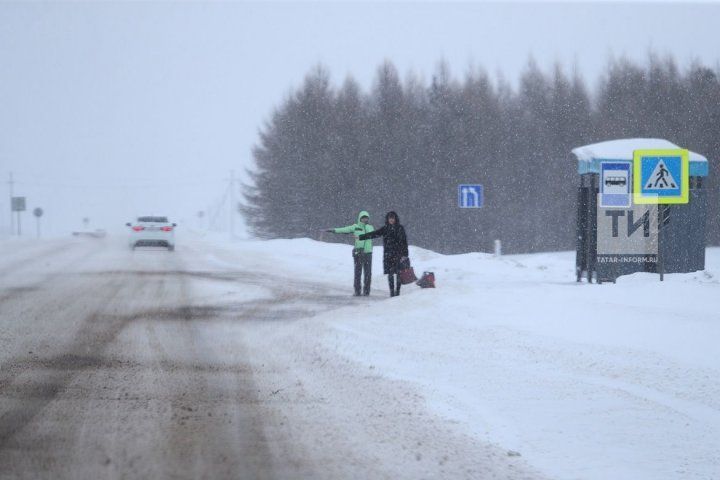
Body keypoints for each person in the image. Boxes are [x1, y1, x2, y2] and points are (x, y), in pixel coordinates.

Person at [358, 211, 408, 297]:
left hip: (398, 254)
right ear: (387, 219)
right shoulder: (385, 228)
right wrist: (361, 237)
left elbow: (404, 242)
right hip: (388, 255)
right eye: (390, 218)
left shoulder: (400, 228)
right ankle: (392, 292)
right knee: (391, 274)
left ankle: (398, 291)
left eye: (393, 218)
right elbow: (374, 234)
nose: (391, 220)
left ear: (395, 219)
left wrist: (405, 254)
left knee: (399, 273)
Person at [327, 211, 374, 296]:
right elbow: (345, 229)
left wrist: (366, 228)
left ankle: (367, 291)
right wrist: (334, 230)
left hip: (368, 253)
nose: (364, 219)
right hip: (358, 252)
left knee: (368, 273)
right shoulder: (355, 227)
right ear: (360, 218)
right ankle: (357, 291)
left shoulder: (370, 227)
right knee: (357, 272)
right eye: (363, 218)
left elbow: (373, 235)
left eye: (366, 218)